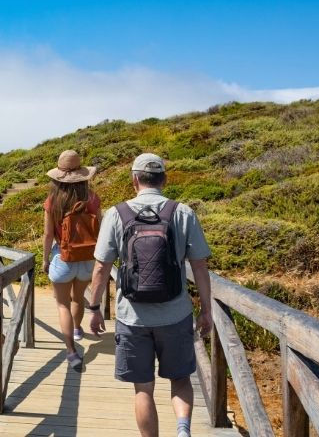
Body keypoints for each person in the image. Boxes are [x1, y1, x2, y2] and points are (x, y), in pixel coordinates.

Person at [87, 153, 213, 437]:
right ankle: (182, 429)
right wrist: (206, 310)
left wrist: (94, 309)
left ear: (135, 180)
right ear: (164, 179)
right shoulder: (183, 213)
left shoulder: (116, 214)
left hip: (132, 317)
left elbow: (101, 267)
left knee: (143, 389)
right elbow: (200, 266)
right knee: (180, 379)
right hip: (176, 314)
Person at [42, 150, 101, 372]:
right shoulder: (92, 198)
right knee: (78, 298)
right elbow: (100, 229)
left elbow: (48, 235)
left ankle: (71, 351)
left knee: (62, 304)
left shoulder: (53, 201)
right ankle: (77, 329)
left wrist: (45, 260)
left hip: (63, 257)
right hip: (87, 257)